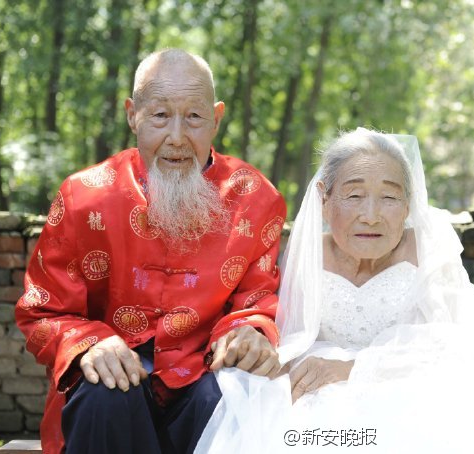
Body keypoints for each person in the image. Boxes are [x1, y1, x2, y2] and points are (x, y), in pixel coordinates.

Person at [195, 128, 474, 453]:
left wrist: (358, 369)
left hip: (413, 380)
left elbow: (458, 343)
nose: (371, 215)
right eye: (354, 195)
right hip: (314, 389)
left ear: (408, 205)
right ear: (325, 198)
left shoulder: (429, 248)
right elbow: (282, 329)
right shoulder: (299, 253)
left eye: (389, 197)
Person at [15, 49, 287, 454]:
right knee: (104, 395)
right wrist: (91, 342)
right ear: (132, 115)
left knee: (233, 396)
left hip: (200, 377)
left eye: (194, 117)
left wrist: (248, 332)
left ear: (216, 118)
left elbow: (257, 300)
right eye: (160, 115)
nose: (177, 136)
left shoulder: (256, 199)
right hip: (114, 387)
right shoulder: (84, 196)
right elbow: (41, 310)